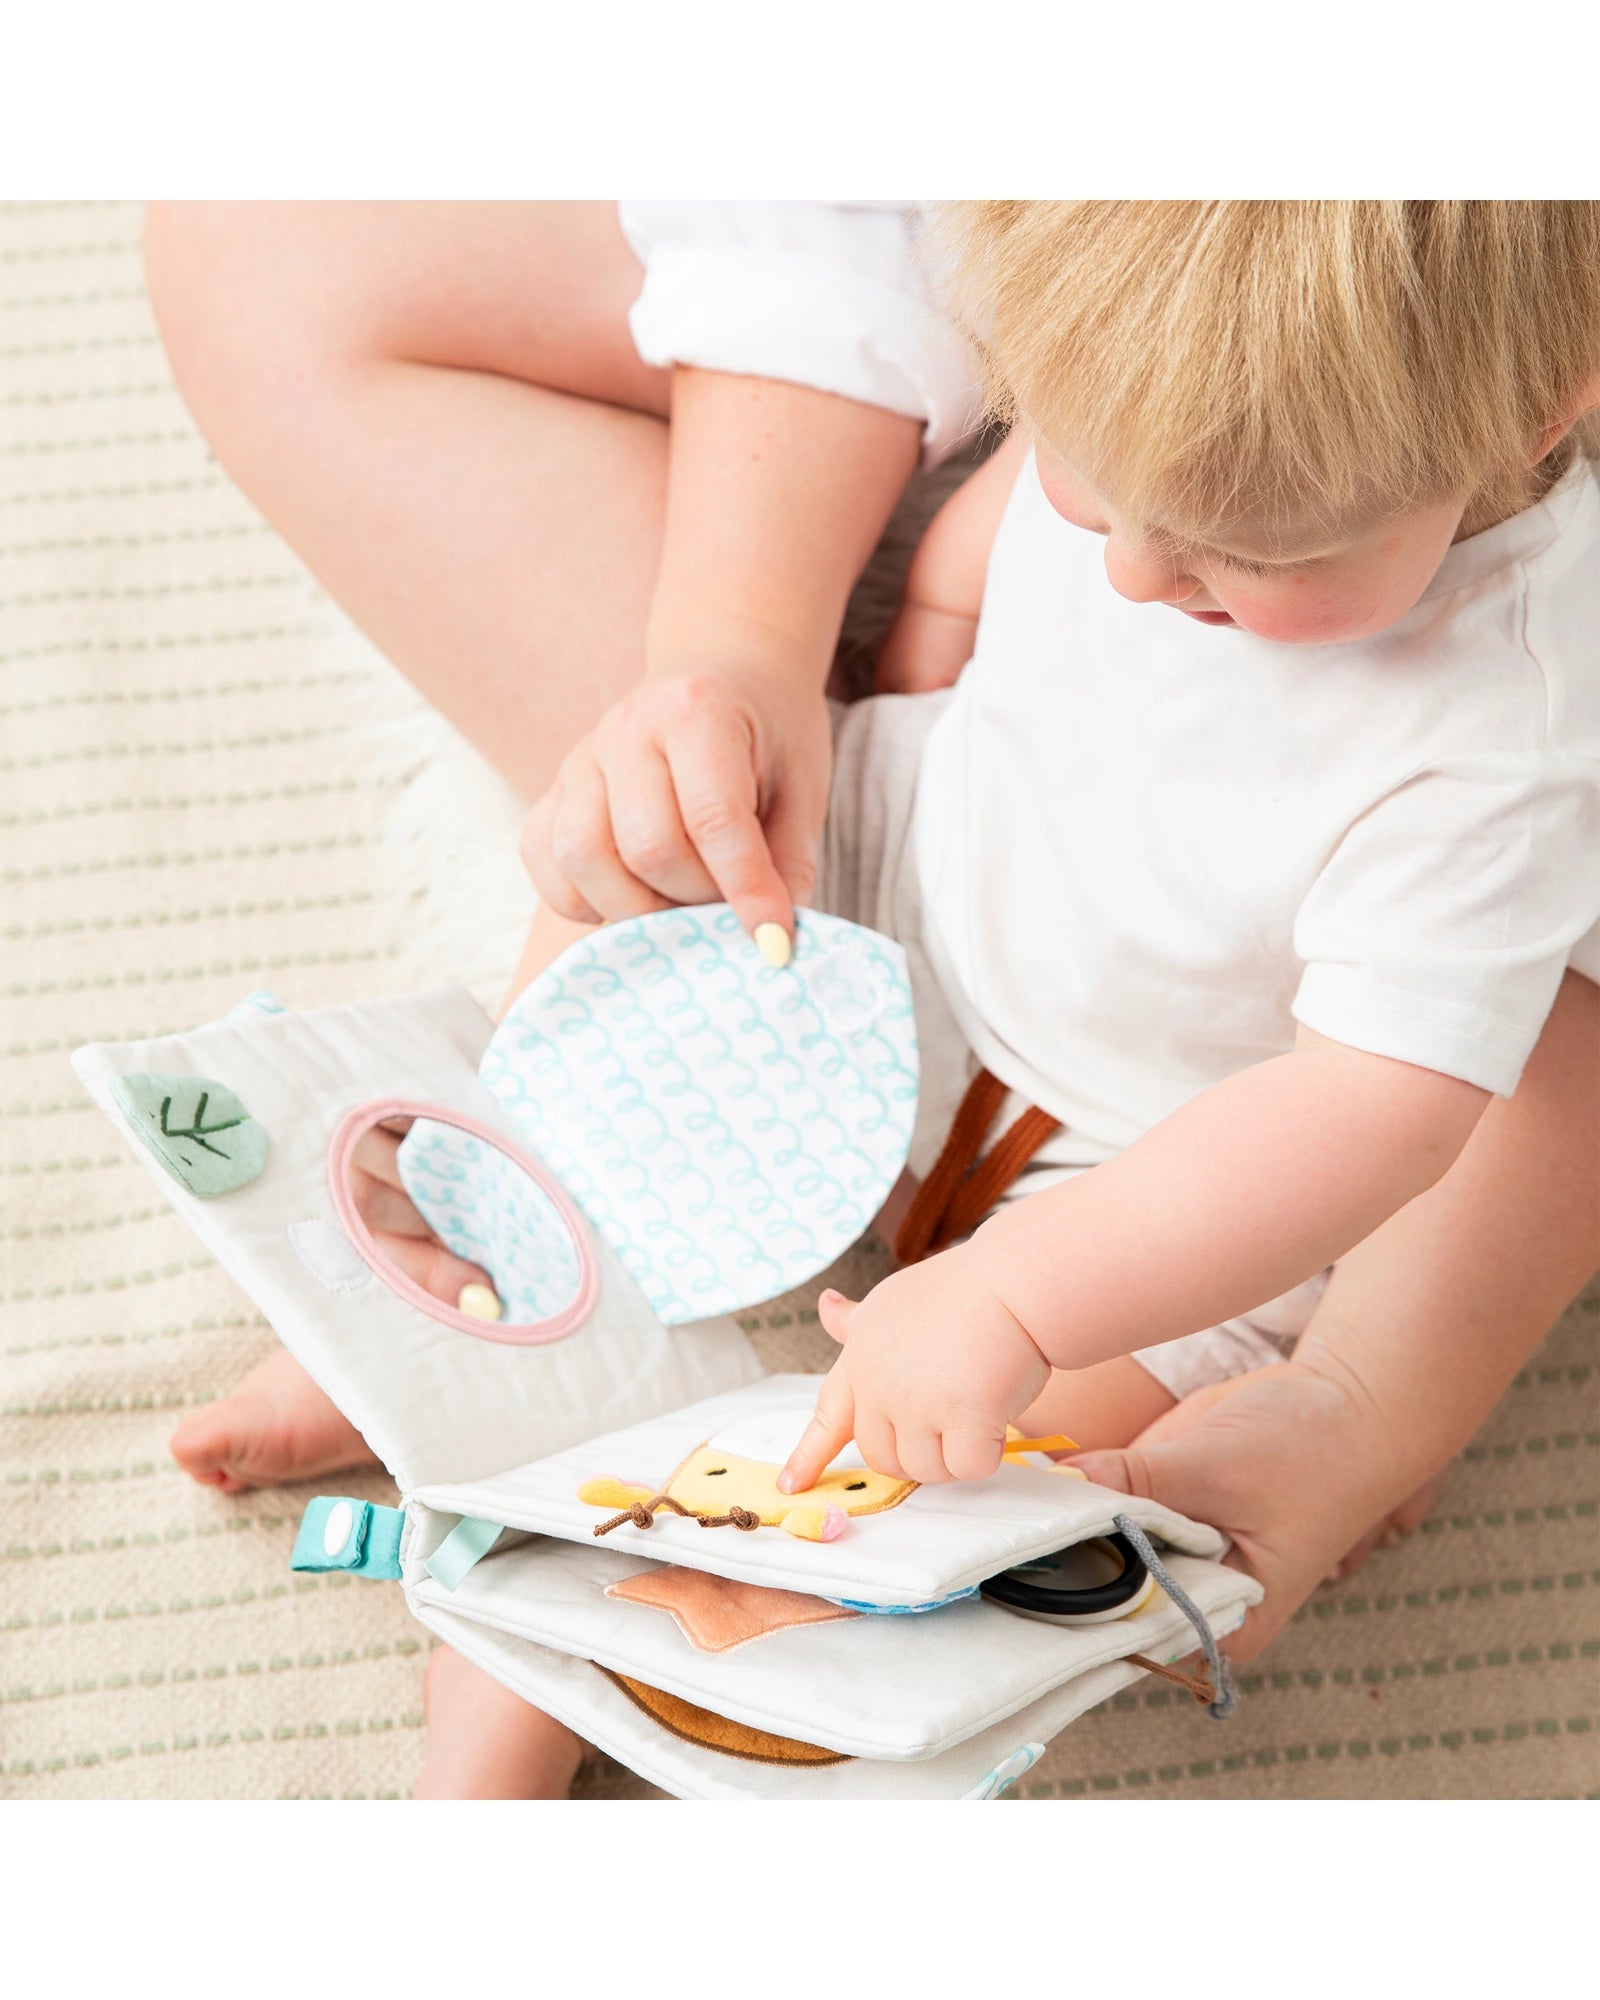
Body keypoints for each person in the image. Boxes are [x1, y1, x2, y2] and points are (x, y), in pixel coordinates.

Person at [144, 201, 1600, 1799]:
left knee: (951, 1503)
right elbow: (971, 578)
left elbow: (1373, 1110)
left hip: (1151, 1163)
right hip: (908, 885)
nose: (1133, 568)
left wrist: (1022, 1297)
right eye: (1092, 478)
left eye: (1250, 554)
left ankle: (515, 1687)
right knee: (642, 916)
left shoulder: (1509, 726)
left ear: (1547, 404)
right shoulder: (1140, 389)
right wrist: (890, 675)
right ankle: (453, 1330)